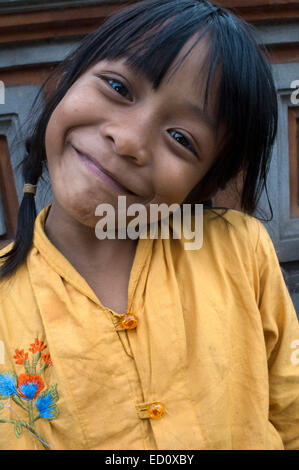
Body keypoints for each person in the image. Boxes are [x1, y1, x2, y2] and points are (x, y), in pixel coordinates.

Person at [0, 0, 298, 451]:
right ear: (67, 84)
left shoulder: (242, 251)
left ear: (203, 184)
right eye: (118, 87)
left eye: (181, 138)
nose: (129, 141)